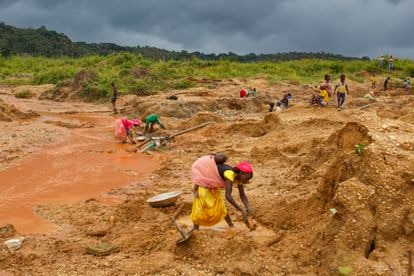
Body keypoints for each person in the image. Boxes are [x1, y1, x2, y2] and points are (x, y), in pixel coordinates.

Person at [190, 153, 255, 230]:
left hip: (213, 185)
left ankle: (231, 226)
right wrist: (241, 209)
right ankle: (196, 229)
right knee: (201, 208)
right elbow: (228, 196)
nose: (247, 181)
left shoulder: (239, 178)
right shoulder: (229, 174)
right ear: (241, 173)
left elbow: (242, 195)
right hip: (205, 186)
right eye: (247, 179)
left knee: (221, 207)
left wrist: (249, 207)